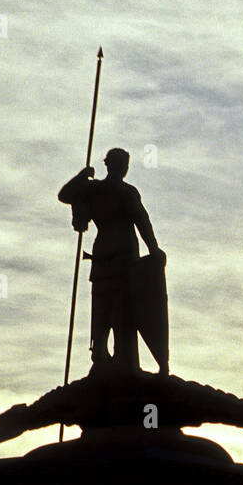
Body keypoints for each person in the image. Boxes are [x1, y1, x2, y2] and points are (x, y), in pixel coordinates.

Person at [58, 148, 166, 373]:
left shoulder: (93, 189)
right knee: (119, 306)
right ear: (121, 167)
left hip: (103, 253)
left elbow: (66, 194)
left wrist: (82, 176)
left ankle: (103, 352)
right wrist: (154, 250)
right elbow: (142, 221)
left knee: (102, 303)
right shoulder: (125, 192)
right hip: (123, 255)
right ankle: (114, 356)